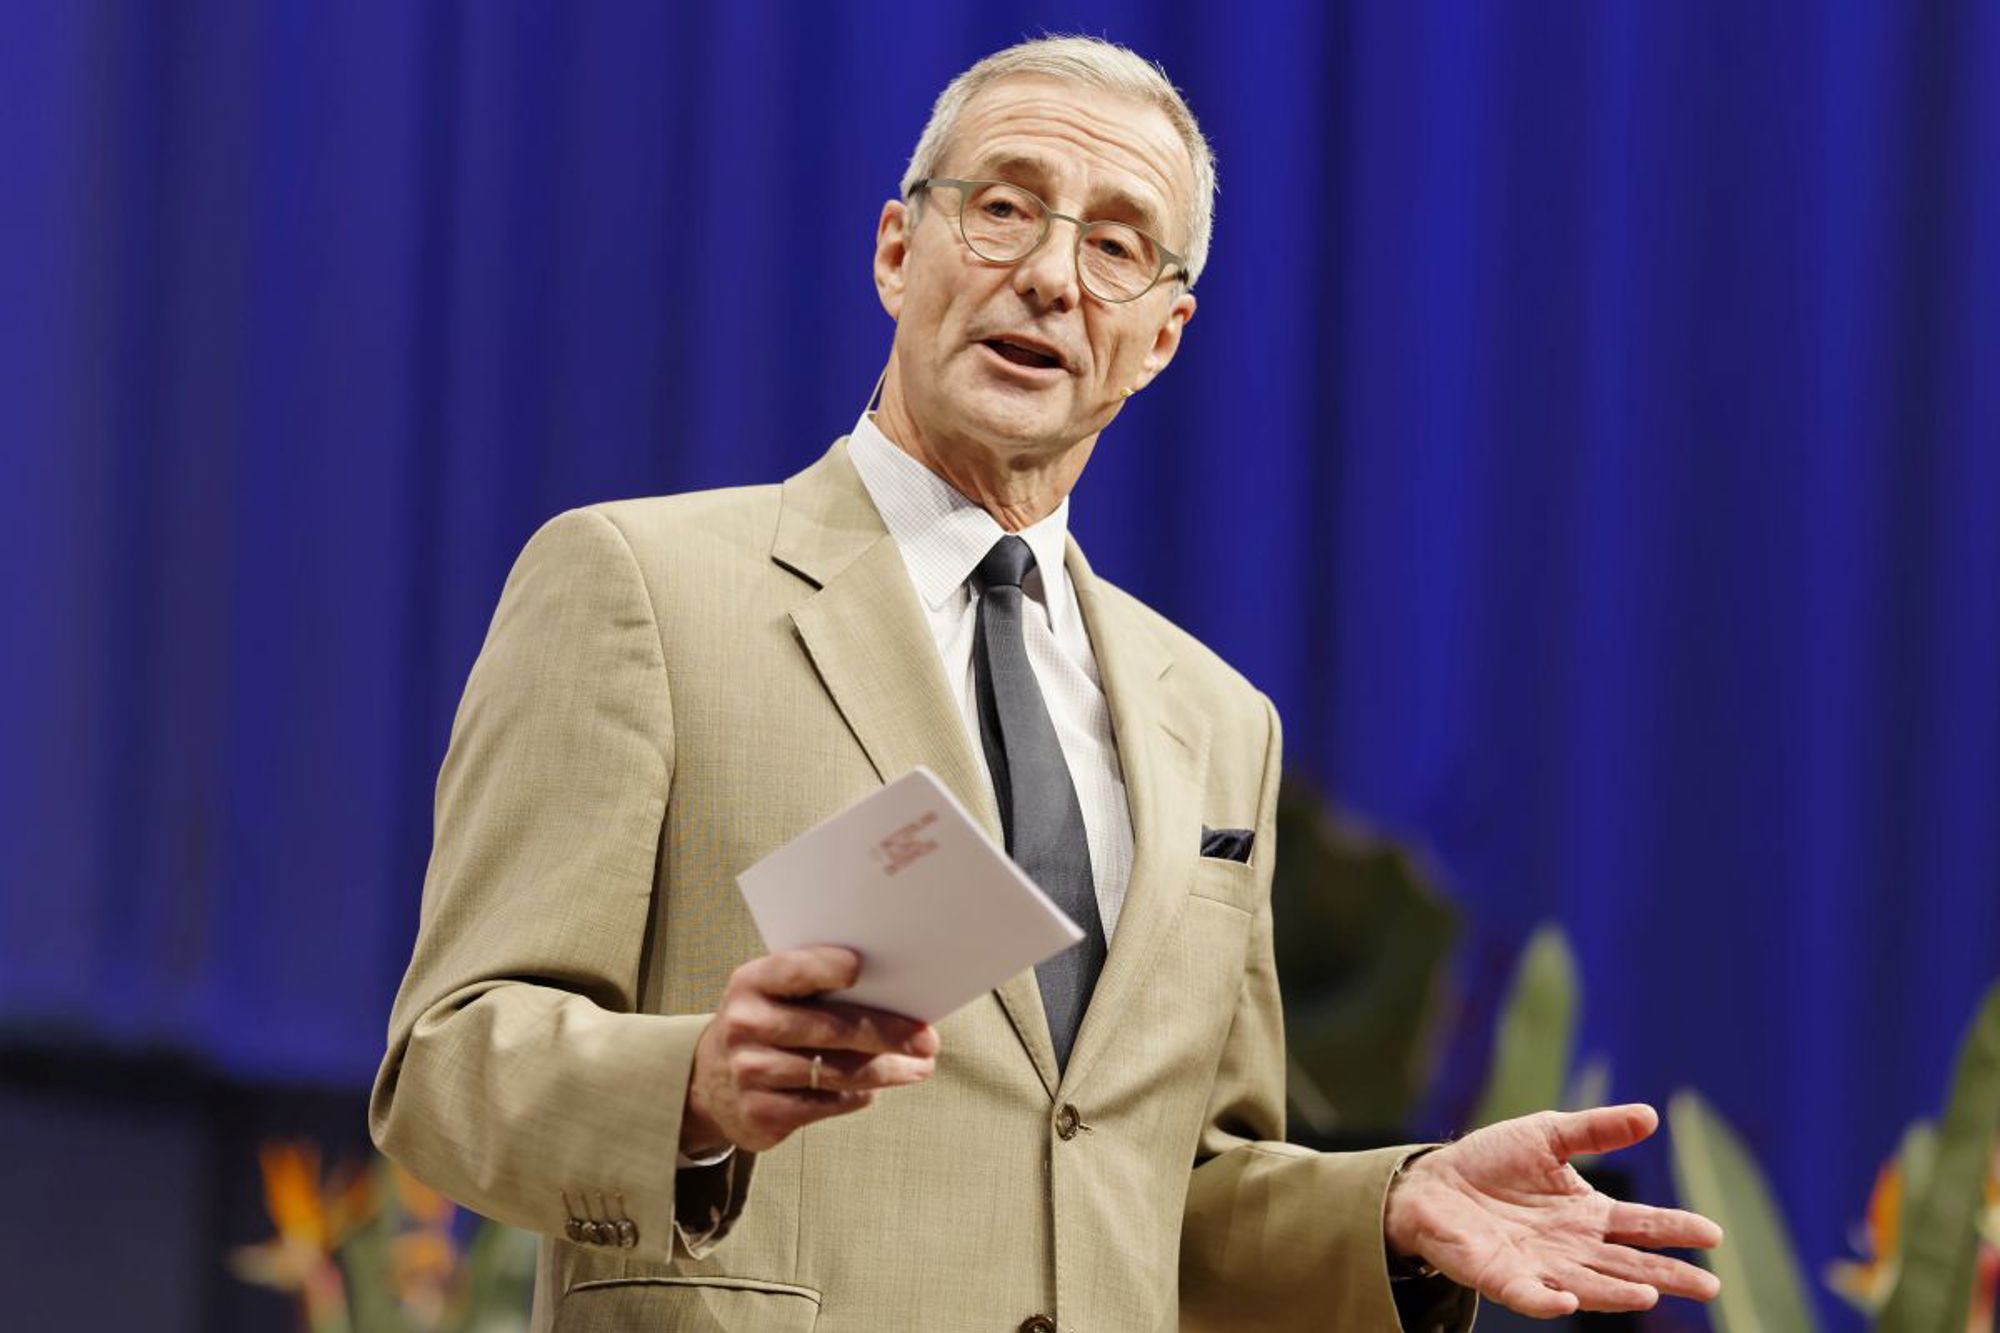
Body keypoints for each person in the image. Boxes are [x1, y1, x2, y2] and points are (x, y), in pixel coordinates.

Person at [371, 36, 1722, 1333]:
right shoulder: (643, 586)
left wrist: (1388, 1208)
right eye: (1005, 208)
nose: (1052, 277)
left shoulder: (1218, 722)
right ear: (897, 250)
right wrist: (696, 1087)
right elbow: (447, 1064)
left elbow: (1161, 1191)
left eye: (1118, 246)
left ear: (1163, 337)